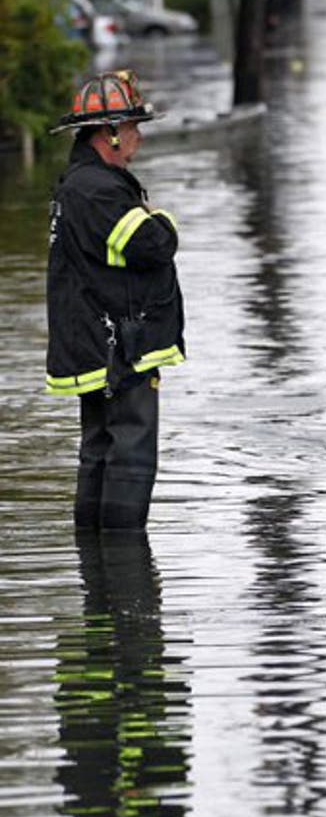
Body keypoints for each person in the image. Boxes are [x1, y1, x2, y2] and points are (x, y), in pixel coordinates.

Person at [45, 70, 185, 529]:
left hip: (95, 343)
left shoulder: (81, 183)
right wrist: (161, 217)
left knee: (100, 448)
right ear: (109, 134)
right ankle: (125, 576)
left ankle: (98, 568)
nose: (138, 137)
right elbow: (154, 244)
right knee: (130, 449)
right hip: (119, 349)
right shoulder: (101, 190)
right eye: (132, 127)